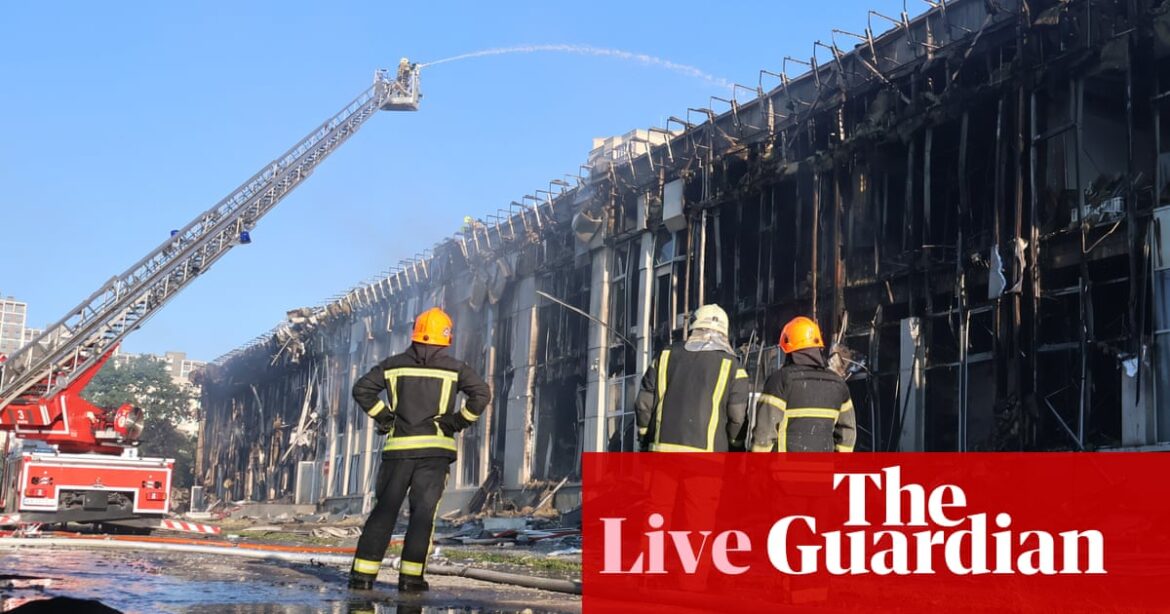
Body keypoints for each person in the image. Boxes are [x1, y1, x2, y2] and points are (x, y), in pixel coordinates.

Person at [348, 307, 491, 592]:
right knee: (422, 516)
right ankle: (411, 580)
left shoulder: (393, 365)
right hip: (434, 454)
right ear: (446, 337)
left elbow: (361, 389)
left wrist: (385, 417)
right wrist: (458, 421)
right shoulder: (456, 368)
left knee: (384, 513)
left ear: (415, 334)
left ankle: (362, 577)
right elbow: (482, 394)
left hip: (398, 452)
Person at [634, 304, 750, 452]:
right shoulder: (733, 366)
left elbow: (643, 405)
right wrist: (736, 447)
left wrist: (644, 438)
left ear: (693, 326)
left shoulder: (664, 355)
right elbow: (738, 417)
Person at [751, 316, 855, 453]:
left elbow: (763, 435)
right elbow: (848, 433)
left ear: (788, 349)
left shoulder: (780, 381)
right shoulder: (838, 384)